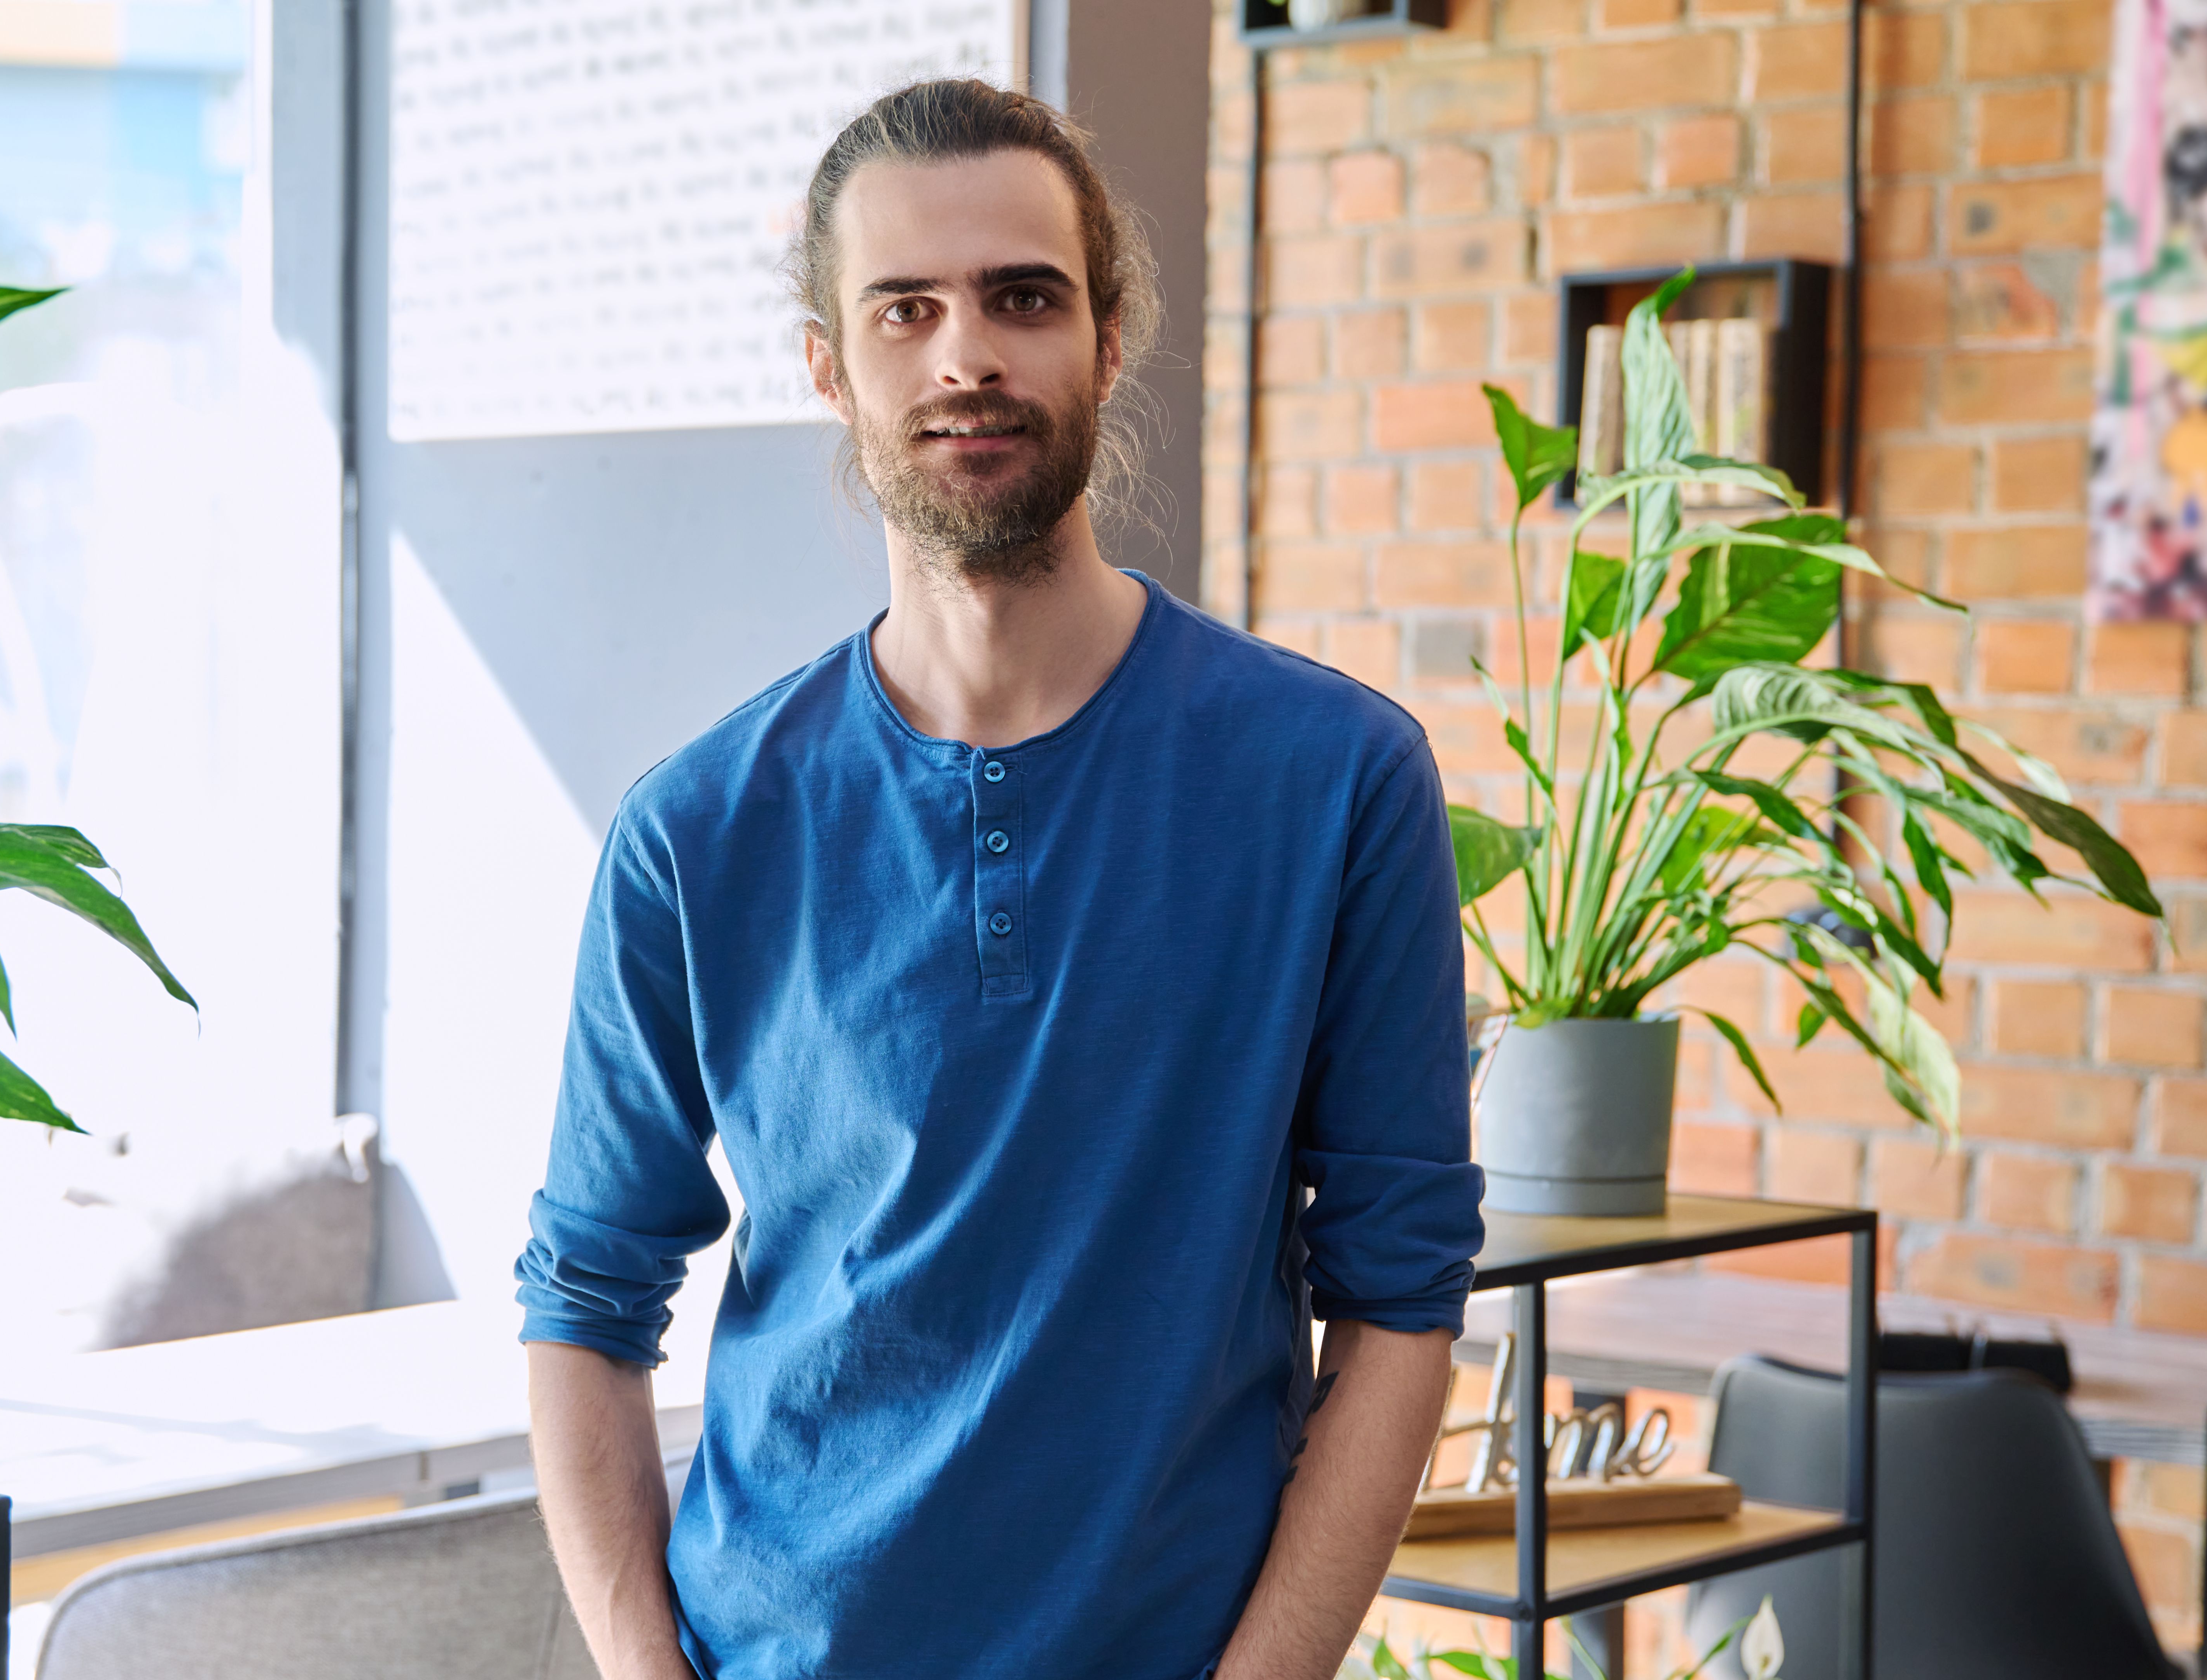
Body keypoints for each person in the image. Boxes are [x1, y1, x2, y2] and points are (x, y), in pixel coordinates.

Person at [516, 79, 1482, 1680]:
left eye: (1023, 298)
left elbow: (1400, 1291)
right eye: (907, 310)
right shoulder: (695, 830)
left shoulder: (1335, 782)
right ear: (831, 365)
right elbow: (584, 1297)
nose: (967, 354)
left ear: (1108, 340)